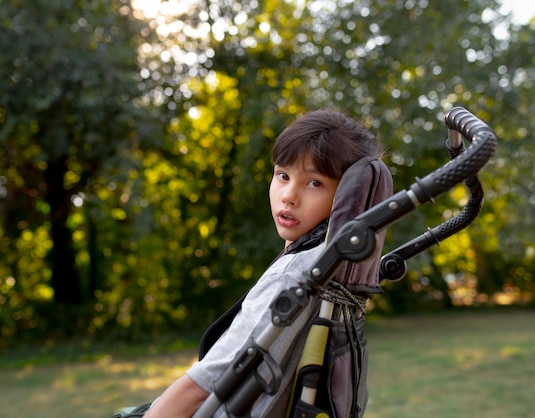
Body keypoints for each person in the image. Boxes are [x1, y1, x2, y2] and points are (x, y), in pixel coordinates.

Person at [143, 109, 388, 418]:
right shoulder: (335, 270)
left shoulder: (295, 278)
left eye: (314, 183)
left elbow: (201, 386)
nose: (288, 196)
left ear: (345, 198)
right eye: (282, 175)